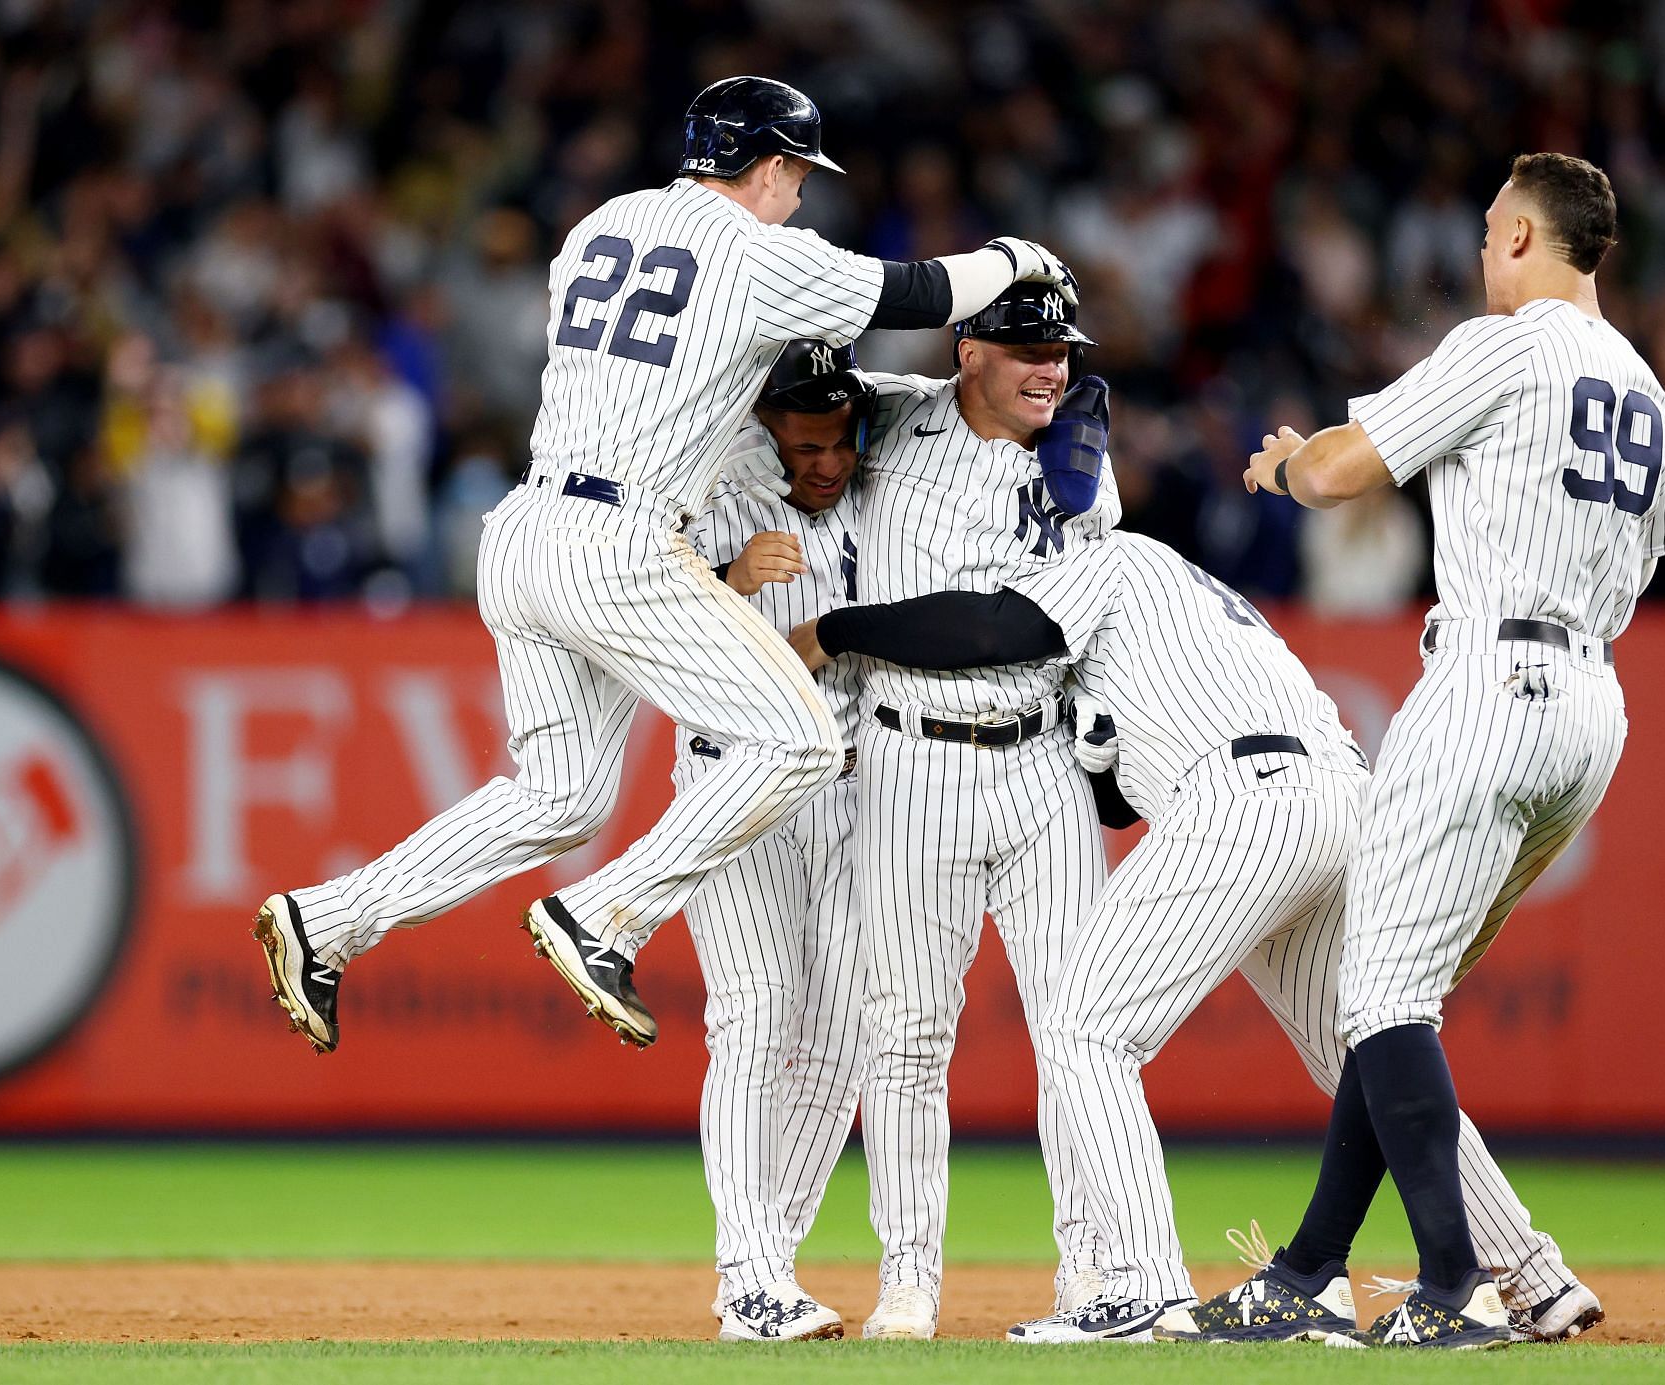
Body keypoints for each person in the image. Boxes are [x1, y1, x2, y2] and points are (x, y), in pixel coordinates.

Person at [252, 75, 1080, 1056]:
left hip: (523, 529)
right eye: (798, 174)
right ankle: (606, 914)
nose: (802, 193)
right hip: (622, 535)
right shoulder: (760, 252)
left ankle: (328, 920)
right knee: (800, 741)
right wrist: (1015, 257)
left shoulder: (602, 225)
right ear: (768, 165)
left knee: (558, 797)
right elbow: (918, 294)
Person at [792, 525, 1603, 1345]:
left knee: (1086, 1030)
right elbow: (1114, 797)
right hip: (1338, 801)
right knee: (1360, 1056)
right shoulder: (1186, 601)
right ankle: (1534, 1275)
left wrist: (837, 629)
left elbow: (992, 628)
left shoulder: (1107, 555)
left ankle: (1145, 1281)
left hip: (1243, 797)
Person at [1215, 151, 1665, 1348]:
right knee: (1395, 1003)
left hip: (1490, 675)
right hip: (1592, 708)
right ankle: (1320, 1265)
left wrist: (1285, 460)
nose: (1481, 251)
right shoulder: (1648, 393)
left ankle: (1455, 1282)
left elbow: (1335, 471)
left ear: (1527, 237)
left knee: (1376, 994)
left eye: (1490, 230)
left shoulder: (1505, 344)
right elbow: (1651, 551)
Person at [813, 276, 1120, 1340]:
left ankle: (1094, 1272)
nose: (1052, 366)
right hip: (910, 763)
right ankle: (908, 1279)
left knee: (1084, 1032)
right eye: (1027, 345)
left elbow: (1047, 627)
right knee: (901, 1038)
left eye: (1064, 351)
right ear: (968, 349)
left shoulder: (1083, 465)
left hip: (1041, 764)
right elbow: (790, 372)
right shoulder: (890, 414)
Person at [676, 340, 872, 1342]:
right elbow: (636, 615)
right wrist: (726, 577)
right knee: (753, 1013)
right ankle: (749, 1270)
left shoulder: (880, 489)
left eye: (840, 437)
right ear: (766, 426)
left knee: (843, 1036)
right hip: (735, 775)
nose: (827, 459)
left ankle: (765, 1267)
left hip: (846, 795)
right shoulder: (713, 482)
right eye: (806, 439)